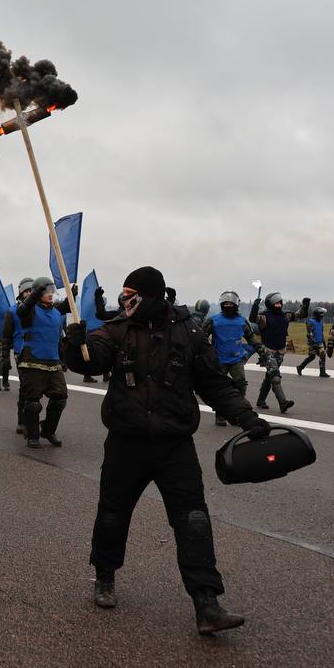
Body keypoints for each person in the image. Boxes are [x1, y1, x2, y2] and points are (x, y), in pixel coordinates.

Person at [63, 266, 271, 635]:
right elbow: (89, 360)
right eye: (123, 296)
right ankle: (105, 575)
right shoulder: (116, 329)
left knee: (193, 521)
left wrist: (247, 417)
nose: (124, 301)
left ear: (151, 296)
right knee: (112, 515)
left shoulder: (188, 331)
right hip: (126, 443)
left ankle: (207, 602)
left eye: (131, 296)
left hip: (175, 445)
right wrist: (73, 342)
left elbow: (213, 383)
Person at [14, 277, 71, 449]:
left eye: (52, 290)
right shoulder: (29, 311)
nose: (50, 294)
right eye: (46, 291)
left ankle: (47, 430)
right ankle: (33, 436)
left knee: (60, 398)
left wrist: (71, 296)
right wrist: (35, 293)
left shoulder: (56, 313)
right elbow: (22, 311)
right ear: (38, 292)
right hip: (33, 361)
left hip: (53, 361)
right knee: (32, 402)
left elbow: (66, 311)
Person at [202, 291, 262, 427]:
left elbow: (251, 338)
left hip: (236, 360)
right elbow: (201, 338)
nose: (228, 305)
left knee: (241, 386)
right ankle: (220, 415)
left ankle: (237, 413)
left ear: (236, 305)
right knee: (220, 389)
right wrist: (205, 355)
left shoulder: (242, 321)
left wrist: (261, 352)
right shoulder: (213, 320)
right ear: (222, 305)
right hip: (219, 360)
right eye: (226, 304)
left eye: (231, 304)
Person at [248, 291, 309, 413]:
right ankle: (283, 403)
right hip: (267, 351)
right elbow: (252, 318)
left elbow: (300, 315)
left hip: (280, 351)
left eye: (279, 302)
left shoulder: (285, 316)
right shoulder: (264, 316)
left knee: (270, 376)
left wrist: (305, 305)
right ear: (269, 304)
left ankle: (260, 400)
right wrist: (255, 306)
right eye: (275, 303)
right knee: (275, 377)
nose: (278, 304)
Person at [5, 278, 37, 433]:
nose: (30, 293)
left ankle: (33, 420)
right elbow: (6, 335)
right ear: (21, 293)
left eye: (32, 291)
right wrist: (4, 358)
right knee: (26, 387)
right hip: (21, 352)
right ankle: (22, 421)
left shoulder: (40, 309)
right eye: (27, 291)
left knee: (37, 389)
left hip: (38, 352)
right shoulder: (12, 311)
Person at [295, 307, 330, 377]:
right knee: (312, 357)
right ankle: (300, 367)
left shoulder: (320, 322)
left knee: (322, 356)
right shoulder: (311, 322)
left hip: (319, 342)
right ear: (318, 315)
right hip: (313, 343)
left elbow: (321, 333)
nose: (322, 316)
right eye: (321, 314)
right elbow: (309, 334)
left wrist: (324, 342)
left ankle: (322, 372)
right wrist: (314, 343)